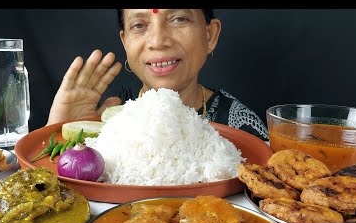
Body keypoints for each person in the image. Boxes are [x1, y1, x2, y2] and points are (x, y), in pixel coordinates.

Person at [47, 9, 269, 140]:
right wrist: (57, 136)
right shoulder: (105, 119)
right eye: (139, 25)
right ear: (125, 42)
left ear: (210, 35)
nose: (157, 41)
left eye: (178, 19)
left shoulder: (242, 130)